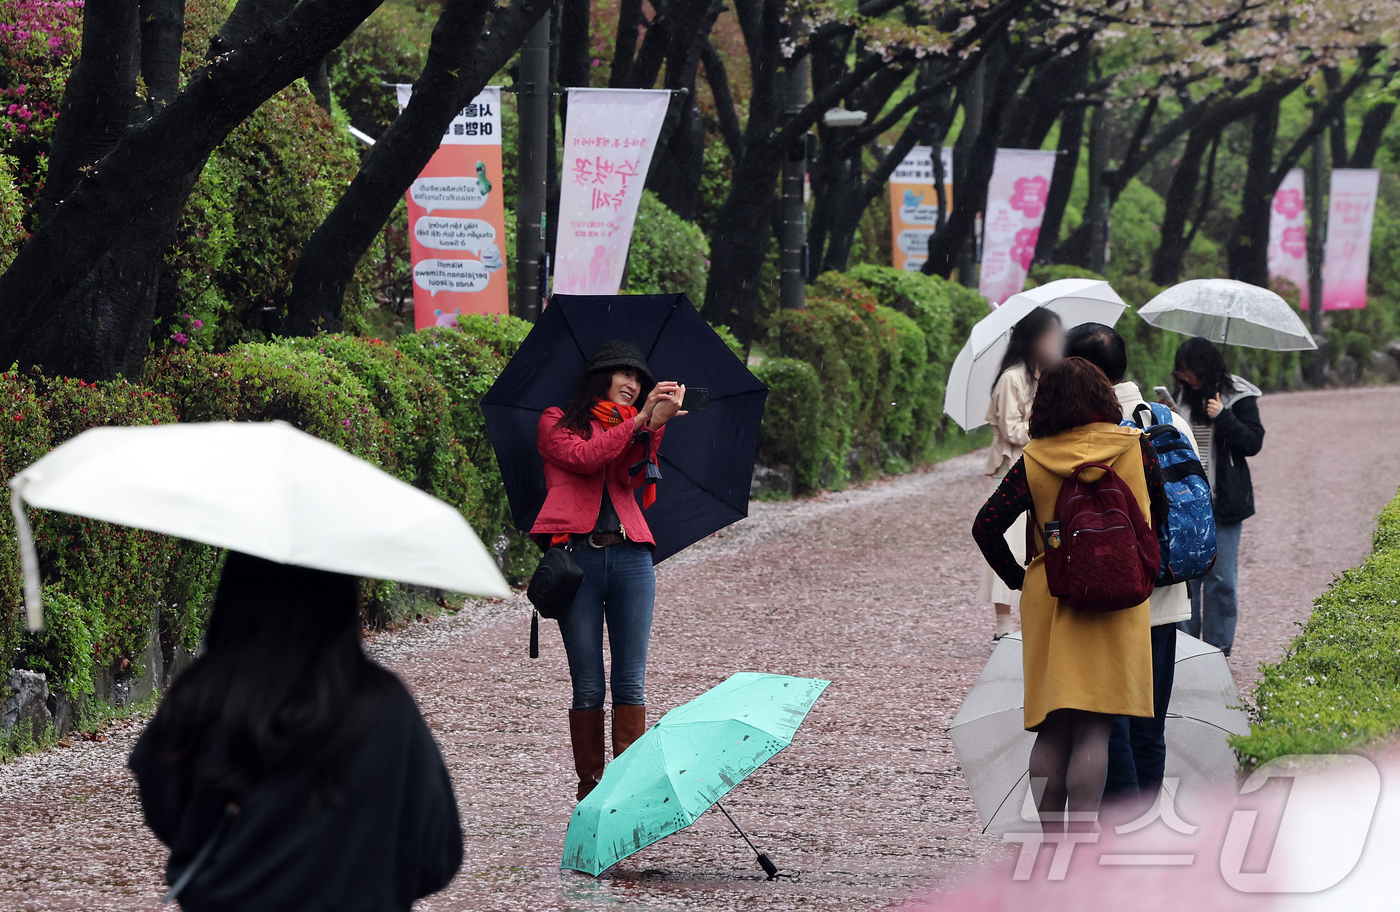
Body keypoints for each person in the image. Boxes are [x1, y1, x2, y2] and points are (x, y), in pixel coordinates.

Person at [129, 552, 462, 911]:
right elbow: (438, 854)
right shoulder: (385, 707)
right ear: (342, 601)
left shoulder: (202, 696)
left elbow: (164, 803)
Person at [972, 357, 1167, 829]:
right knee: (1097, 728)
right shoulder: (1136, 448)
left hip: (1052, 594)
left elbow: (986, 526)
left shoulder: (1035, 458)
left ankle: (1053, 845)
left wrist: (1022, 578)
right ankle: (1082, 851)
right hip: (1120, 596)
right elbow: (1159, 511)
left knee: (1054, 727)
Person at [533, 340, 687, 800]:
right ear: (602, 378)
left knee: (630, 679)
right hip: (576, 562)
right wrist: (640, 421)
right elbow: (585, 458)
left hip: (631, 559)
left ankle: (628, 793)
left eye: (640, 381)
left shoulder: (633, 426)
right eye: (627, 376)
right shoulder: (555, 423)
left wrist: (652, 430)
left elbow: (633, 478)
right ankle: (591, 791)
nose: (634, 385)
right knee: (587, 684)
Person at [1064, 323, 1198, 803]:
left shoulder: (1083, 431)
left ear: (1079, 369)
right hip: (1164, 596)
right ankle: (1146, 826)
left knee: (1108, 725)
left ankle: (1120, 835)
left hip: (1108, 601)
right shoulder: (1168, 419)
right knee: (1149, 726)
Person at [1168, 337, 1264, 656]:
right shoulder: (1181, 396)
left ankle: (1218, 648)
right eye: (1180, 372)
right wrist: (1169, 416)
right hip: (1186, 501)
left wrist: (1223, 415)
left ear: (1204, 369)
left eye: (1189, 371)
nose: (1185, 378)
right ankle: (1187, 646)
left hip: (1224, 501)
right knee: (1188, 576)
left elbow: (1252, 443)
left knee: (1221, 577)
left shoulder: (1238, 395)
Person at [982, 306, 1063, 642]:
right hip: (1013, 468)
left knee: (1044, 541)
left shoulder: (1053, 374)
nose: (1055, 341)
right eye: (1050, 335)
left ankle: (1041, 617)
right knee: (1009, 542)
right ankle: (1003, 628)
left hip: (1041, 467)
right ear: (1033, 339)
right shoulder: (1011, 378)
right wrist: (1044, 425)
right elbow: (1010, 429)